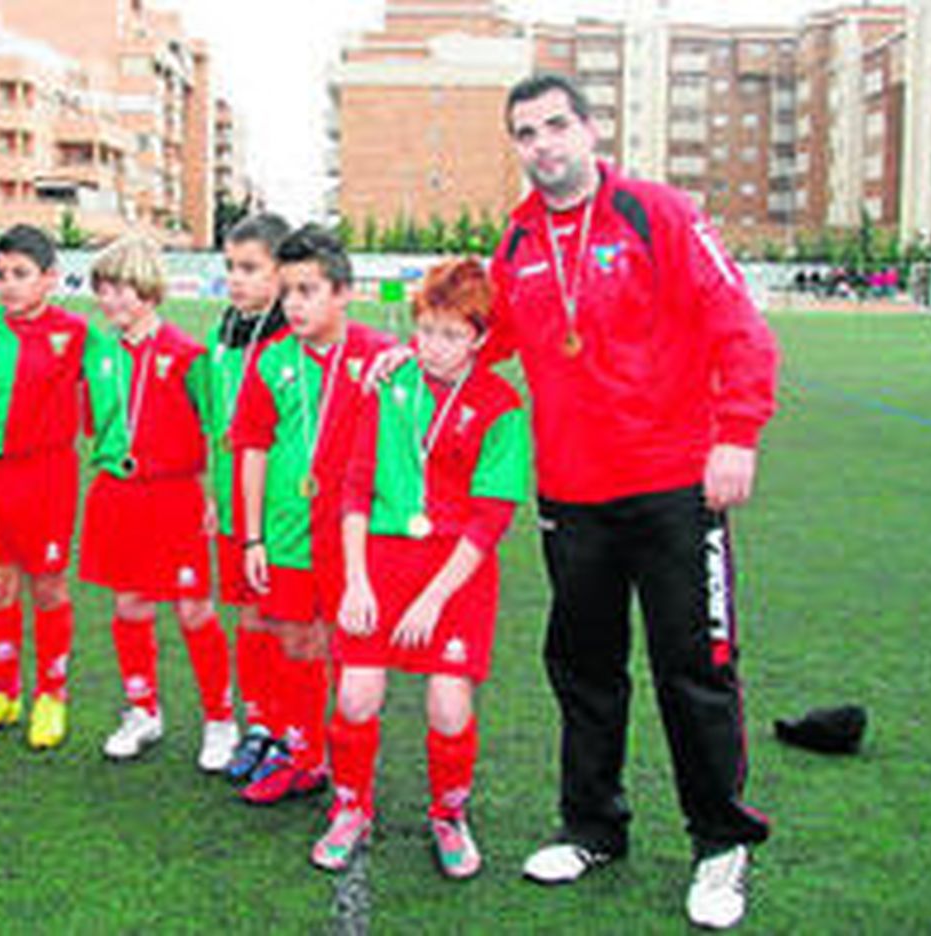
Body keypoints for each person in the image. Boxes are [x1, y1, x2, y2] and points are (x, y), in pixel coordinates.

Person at [481, 74, 777, 929]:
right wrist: (420, 350)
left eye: (556, 125)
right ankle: (592, 827)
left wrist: (737, 432)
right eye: (526, 133)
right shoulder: (517, 242)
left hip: (676, 488)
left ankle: (721, 842)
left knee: (695, 669)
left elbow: (737, 324)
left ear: (589, 129)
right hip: (572, 497)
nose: (543, 144)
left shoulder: (657, 213)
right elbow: (488, 335)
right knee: (584, 669)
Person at [311, 258, 529, 880]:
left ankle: (449, 814)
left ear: (480, 338)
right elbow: (356, 487)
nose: (433, 346)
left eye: (451, 334)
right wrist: (356, 579)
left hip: (456, 571)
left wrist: (433, 598)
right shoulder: (388, 383)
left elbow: (491, 518)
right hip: (380, 561)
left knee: (448, 704)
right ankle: (350, 808)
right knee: (356, 693)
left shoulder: (501, 405)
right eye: (426, 330)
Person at [233, 224, 395, 804]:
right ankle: (304, 758)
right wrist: (253, 538)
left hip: (354, 536)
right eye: (287, 292)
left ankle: (352, 775)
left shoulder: (380, 357)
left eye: (308, 291)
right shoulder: (271, 359)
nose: (294, 305)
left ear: (343, 293)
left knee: (350, 653)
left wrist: (405, 361)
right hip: (285, 531)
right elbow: (252, 448)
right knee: (296, 642)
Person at [0, 225, 122, 749]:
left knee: (47, 584)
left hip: (47, 475)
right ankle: (2, 694)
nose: (8, 284)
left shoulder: (76, 333)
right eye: (1, 274)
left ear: (50, 278)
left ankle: (51, 694)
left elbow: (117, 379)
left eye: (21, 274)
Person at [79, 236, 238, 769]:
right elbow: (94, 422)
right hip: (117, 494)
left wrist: (212, 493)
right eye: (103, 289)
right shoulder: (99, 355)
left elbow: (216, 430)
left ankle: (221, 720)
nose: (109, 300)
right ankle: (143, 709)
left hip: (174, 495)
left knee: (194, 608)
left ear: (148, 289)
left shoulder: (187, 355)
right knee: (130, 604)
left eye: (120, 289)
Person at [204, 213, 294, 781]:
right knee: (248, 616)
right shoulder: (226, 332)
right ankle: (260, 722)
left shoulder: (292, 339)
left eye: (250, 268)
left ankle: (290, 729)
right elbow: (220, 420)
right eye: (230, 267)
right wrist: (216, 494)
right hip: (233, 502)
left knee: (283, 620)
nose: (235, 279)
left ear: (282, 272)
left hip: (278, 510)